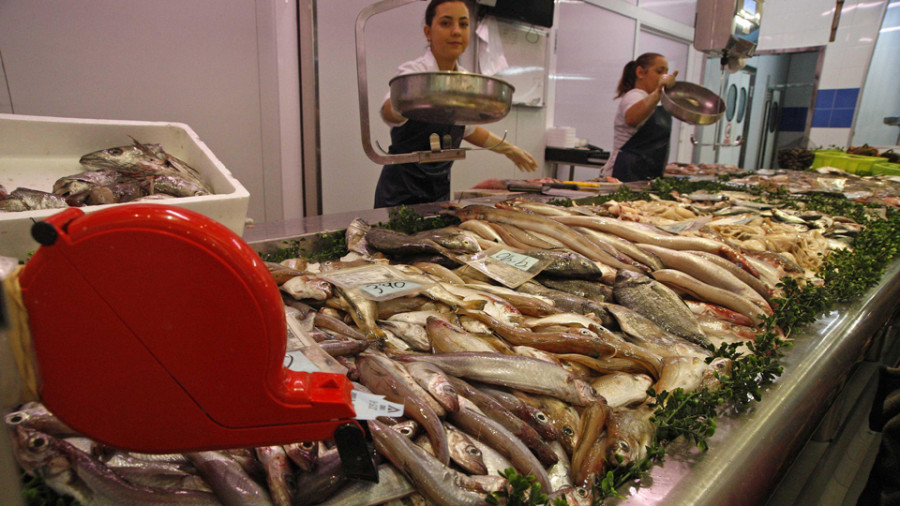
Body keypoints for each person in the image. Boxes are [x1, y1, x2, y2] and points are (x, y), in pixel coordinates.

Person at [374, 0, 538, 208]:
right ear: (428, 31)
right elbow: (389, 112)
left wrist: (509, 149)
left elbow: (468, 130)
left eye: (463, 24)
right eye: (445, 23)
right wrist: (411, 99)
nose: (456, 31)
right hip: (399, 194)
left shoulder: (465, 82)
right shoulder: (414, 73)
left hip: (438, 189)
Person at [599, 53, 678, 182]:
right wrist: (658, 92)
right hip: (624, 172)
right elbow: (632, 118)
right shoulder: (634, 96)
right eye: (659, 72)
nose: (664, 77)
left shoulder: (652, 100)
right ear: (640, 72)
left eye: (666, 73)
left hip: (645, 172)